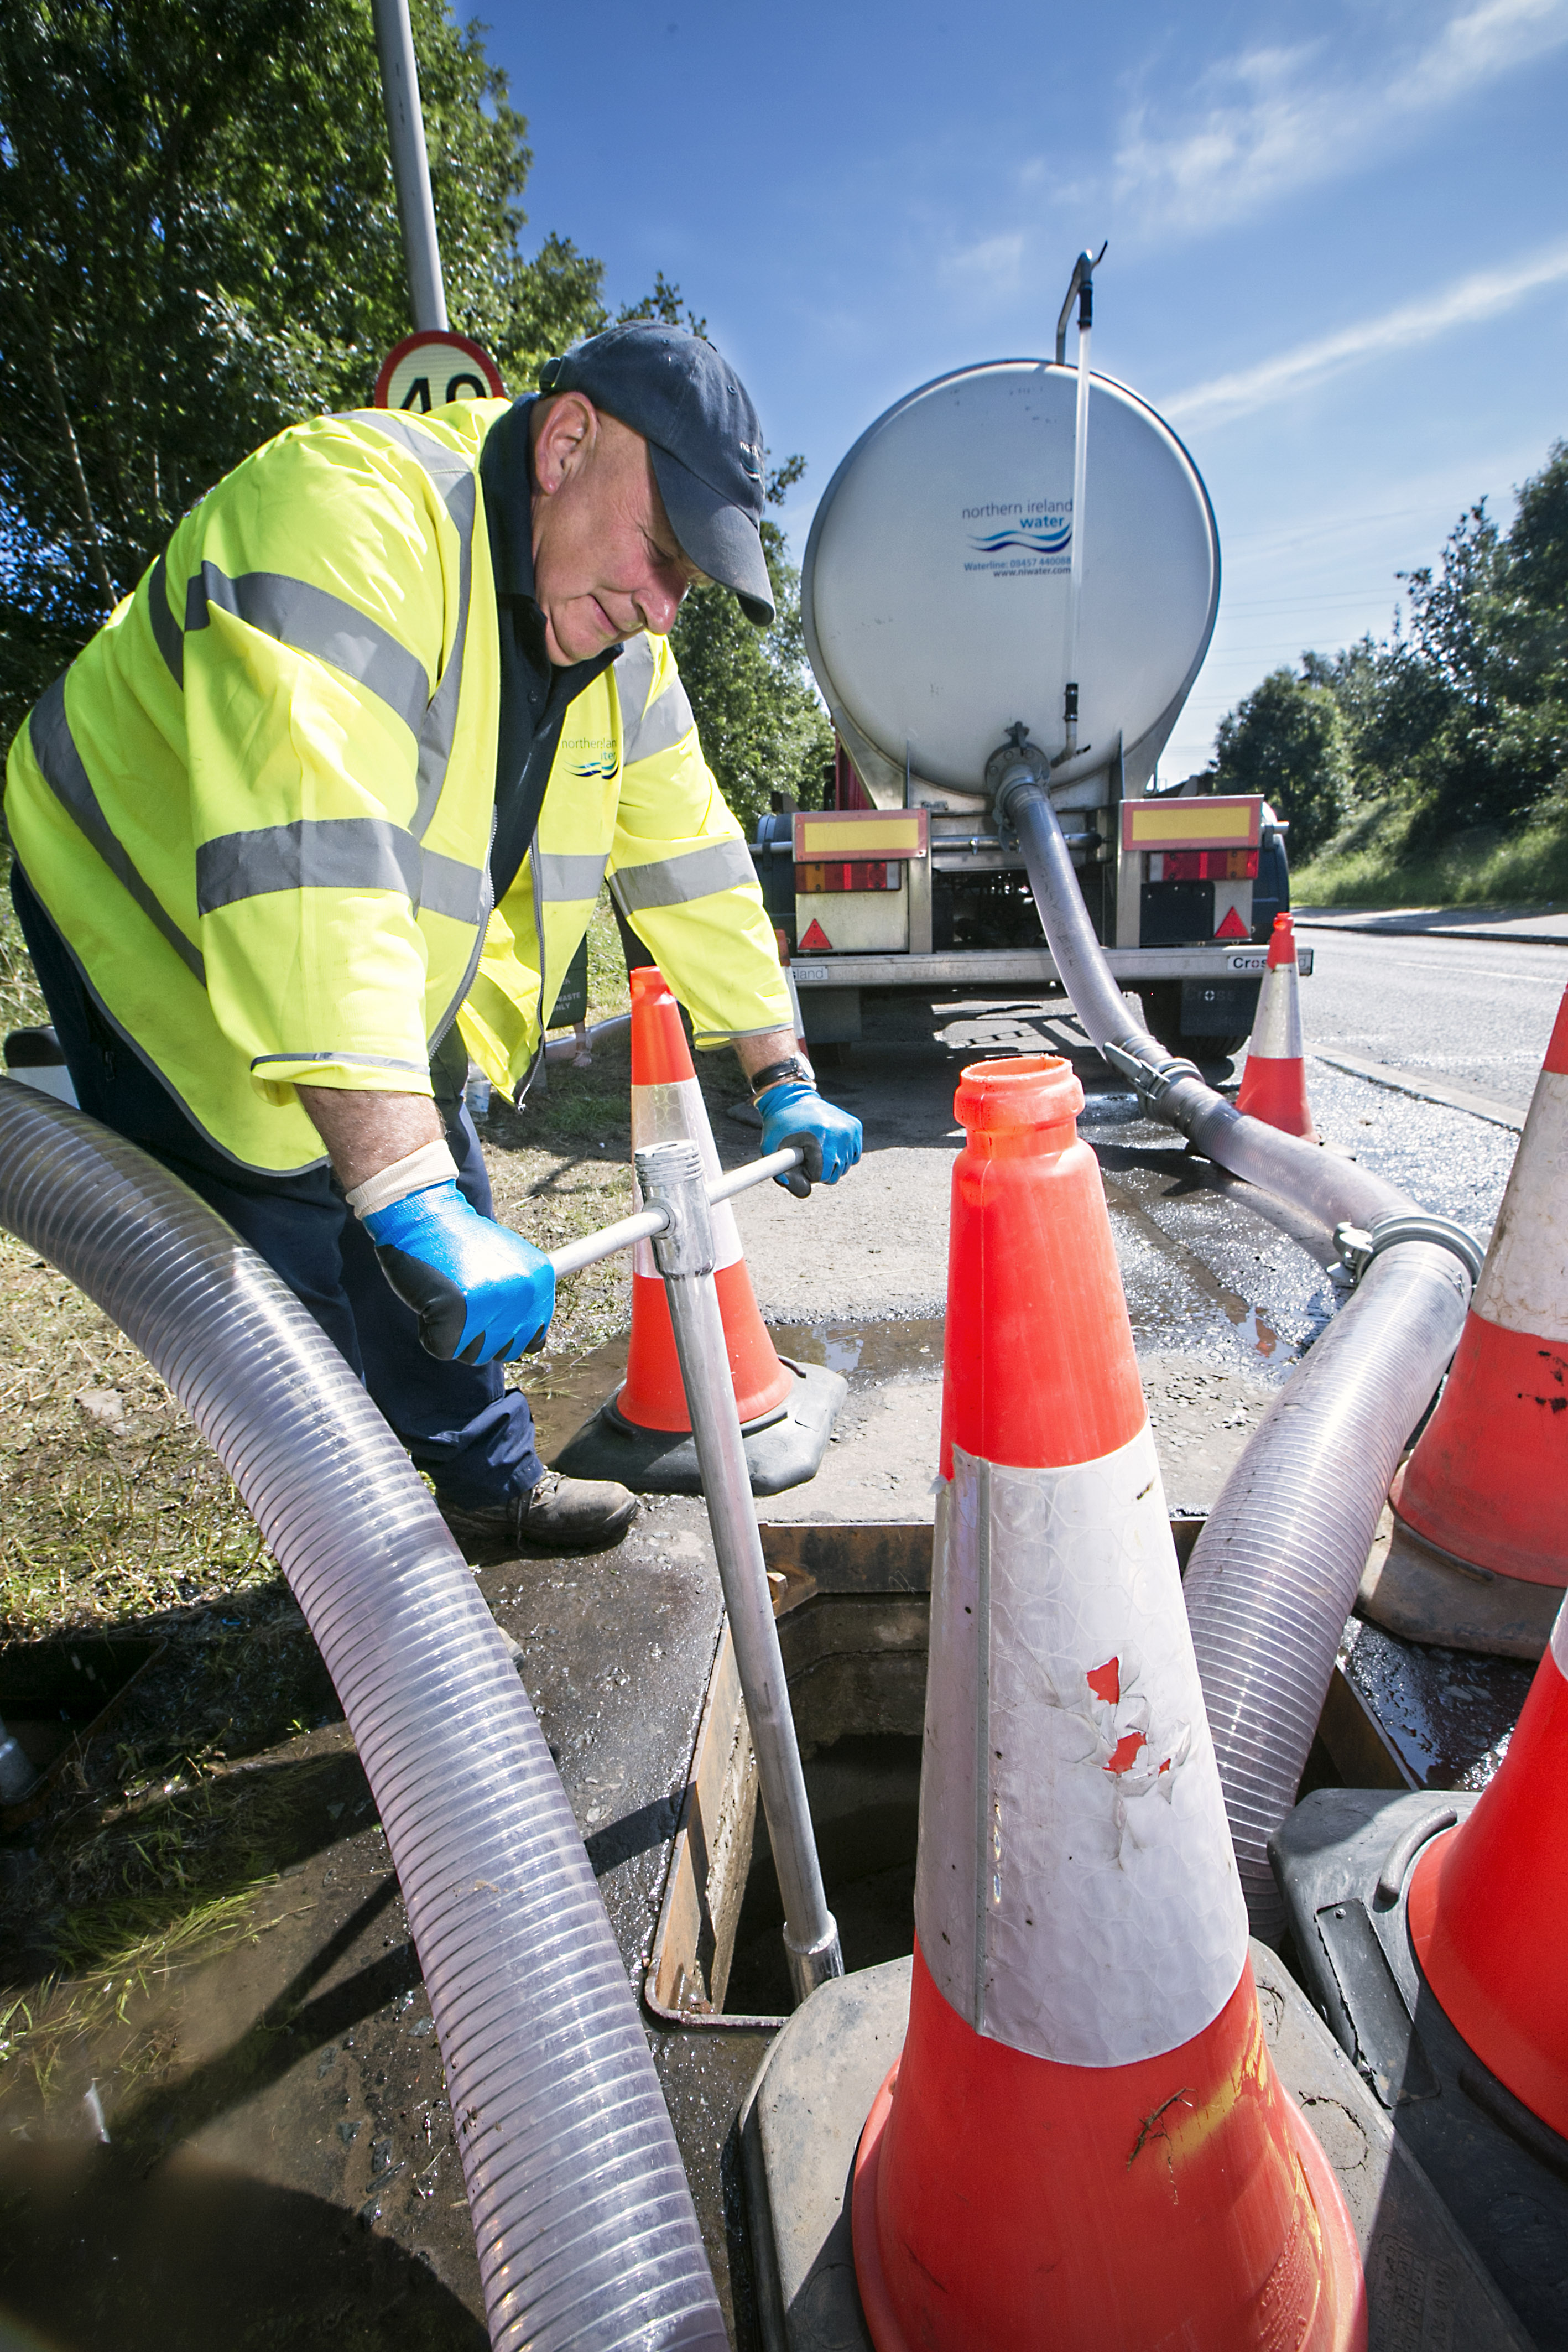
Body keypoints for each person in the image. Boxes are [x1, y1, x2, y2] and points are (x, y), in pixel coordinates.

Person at [4, 322, 862, 1554]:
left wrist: (779, 1070)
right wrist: (392, 1184)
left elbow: (692, 863)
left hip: (361, 970)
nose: (663, 603)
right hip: (153, 924)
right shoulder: (350, 511)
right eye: (661, 550)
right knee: (284, 1286)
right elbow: (309, 851)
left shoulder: (623, 646)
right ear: (565, 443)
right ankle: (364, 1601)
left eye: (687, 581)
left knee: (431, 1205)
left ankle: (492, 1488)